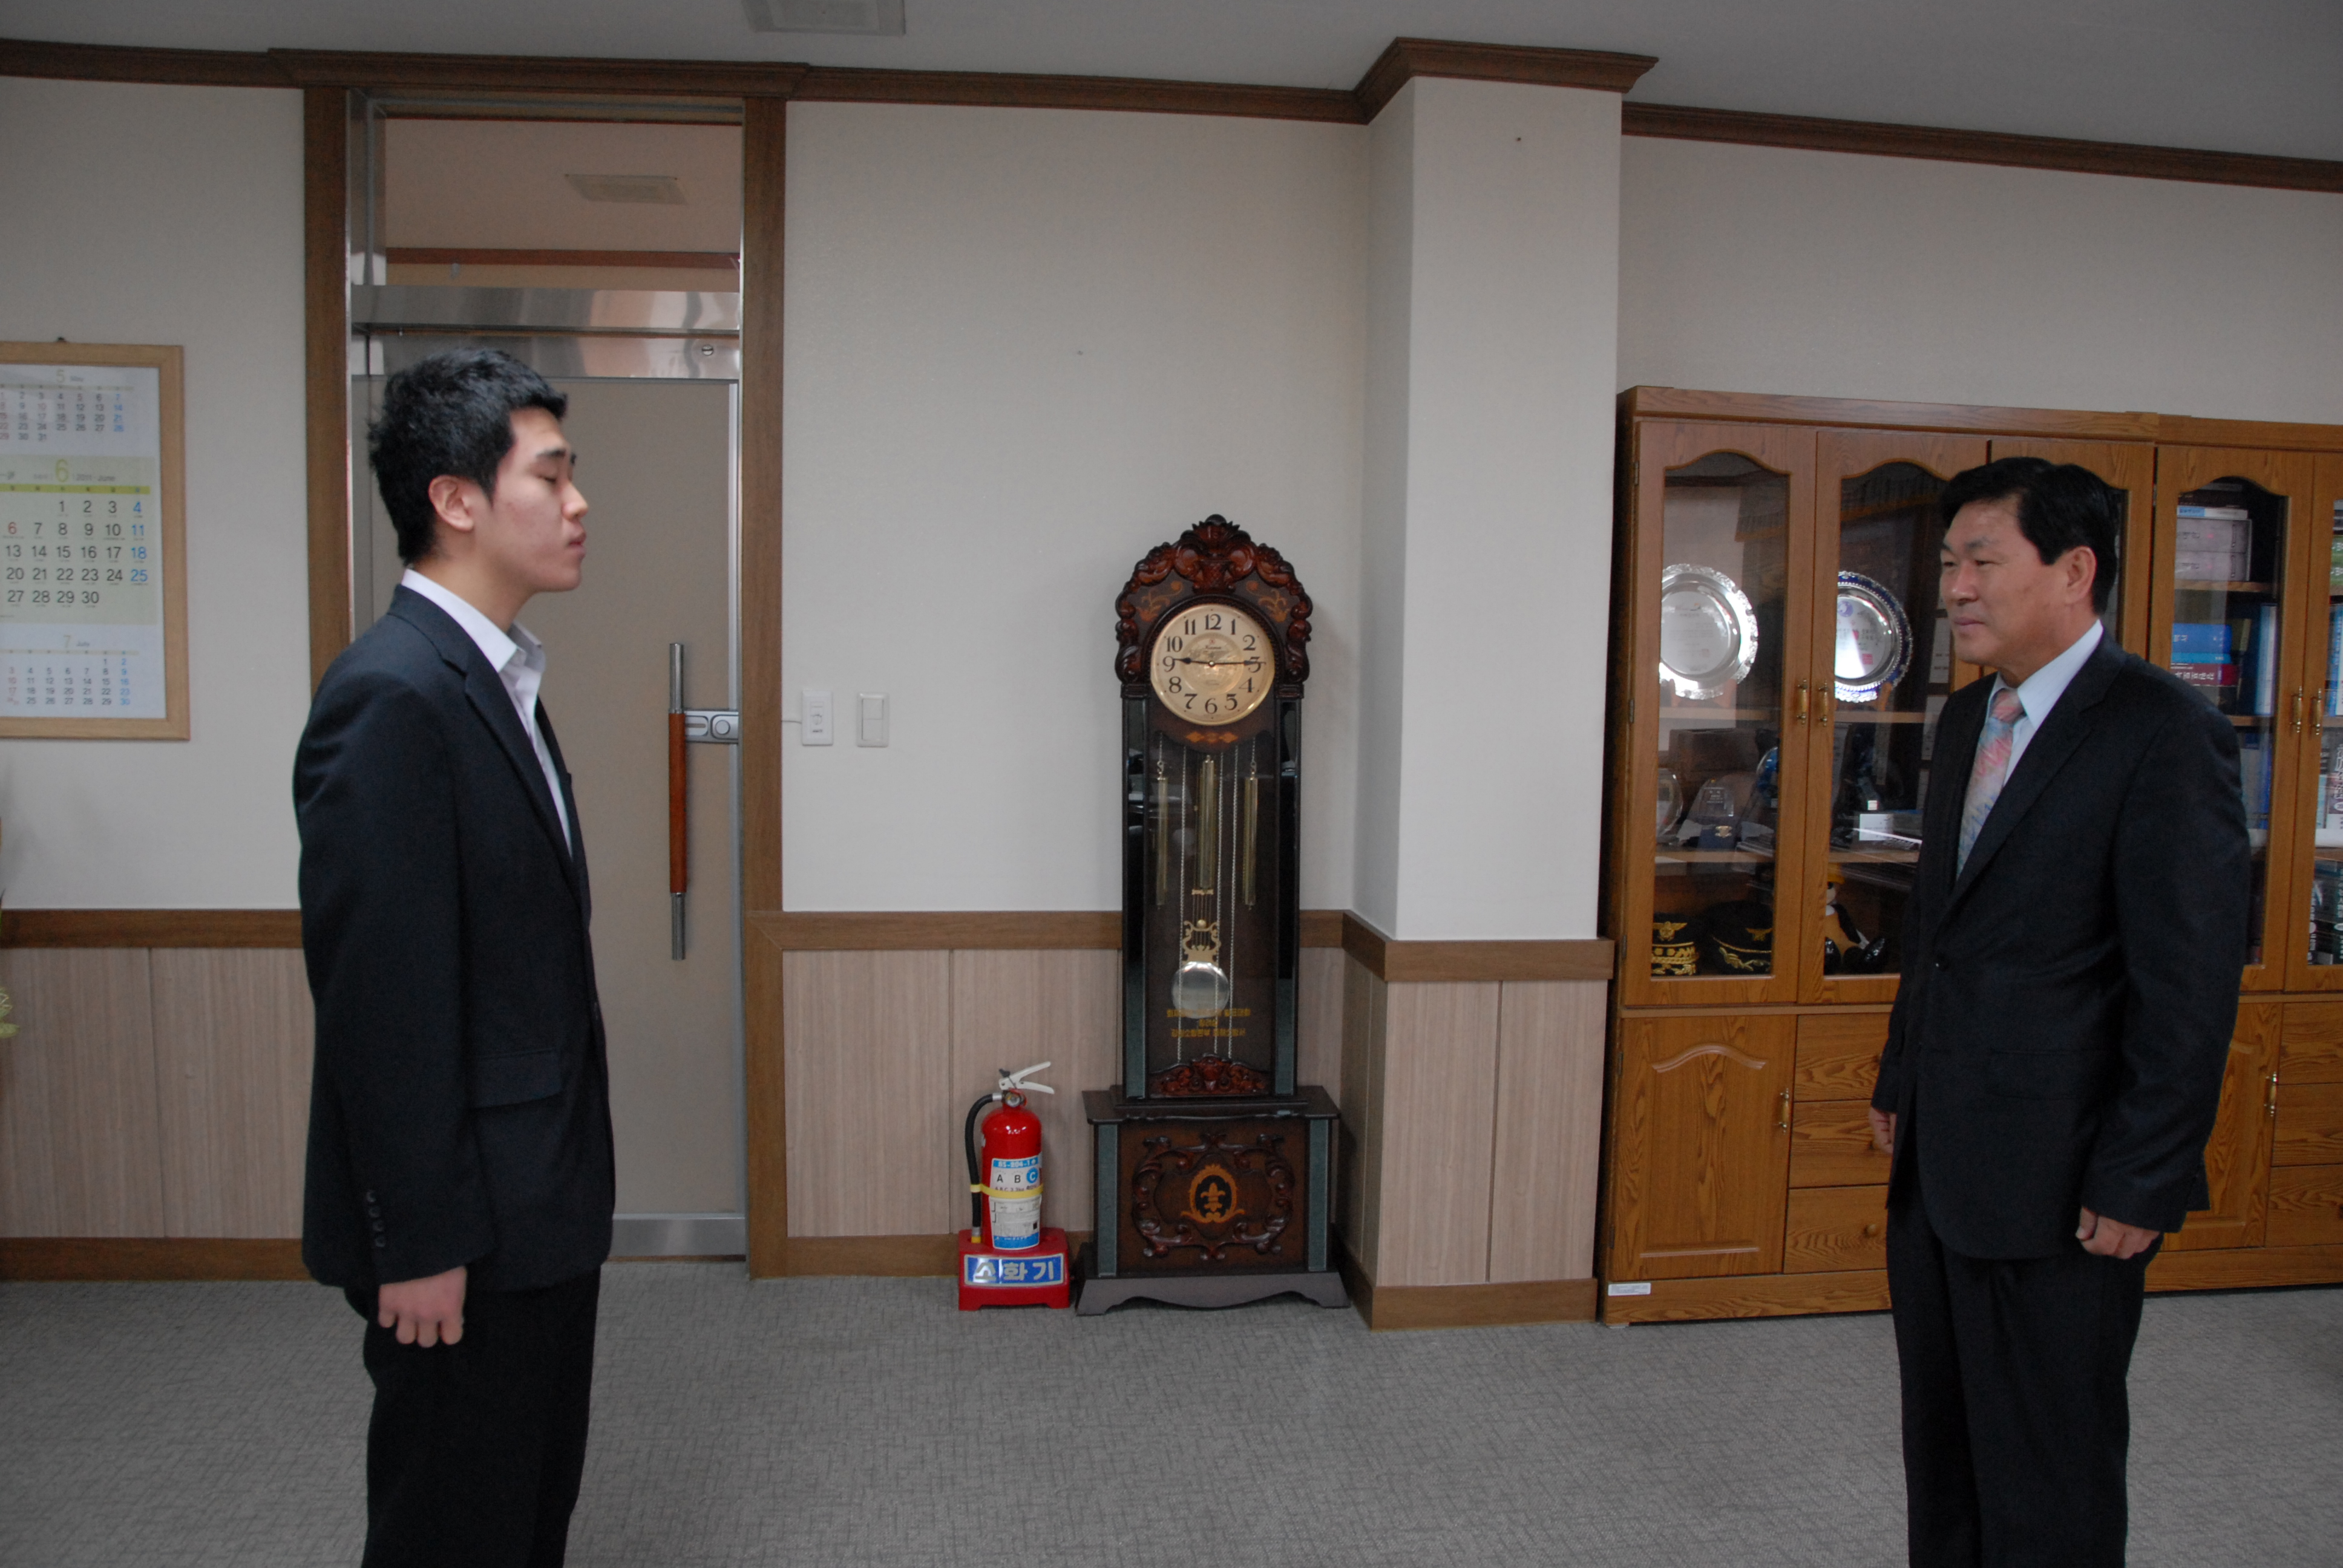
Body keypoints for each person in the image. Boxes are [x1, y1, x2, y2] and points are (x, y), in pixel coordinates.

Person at [1868, 457, 2249, 1567]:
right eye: (1951, 563)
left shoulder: (2164, 731)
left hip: (2068, 1179)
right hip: (1941, 1160)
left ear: (2075, 571)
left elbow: (2188, 985)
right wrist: (1901, 1076)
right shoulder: (1971, 717)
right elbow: (1937, 931)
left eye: (1984, 561)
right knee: (1945, 1453)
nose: (1957, 588)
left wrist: (2143, 1176)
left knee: (2049, 1470)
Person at [295, 348, 609, 1568]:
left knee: (525, 1514)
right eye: (552, 475)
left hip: (536, 1203)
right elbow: (382, 1003)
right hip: (463, 1230)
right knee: (452, 1527)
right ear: (456, 499)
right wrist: (418, 1241)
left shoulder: (496, 675)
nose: (578, 503)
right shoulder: (394, 695)